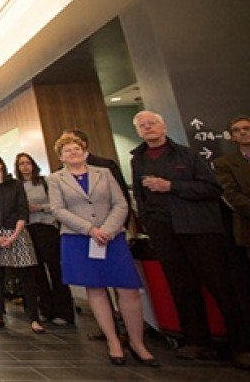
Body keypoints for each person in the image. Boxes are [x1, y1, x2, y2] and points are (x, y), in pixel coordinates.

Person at [131, 111, 249, 367]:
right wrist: (148, 222)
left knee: (221, 286)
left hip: (198, 229)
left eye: (152, 123)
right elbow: (140, 195)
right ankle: (197, 341)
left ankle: (241, 345)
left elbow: (212, 188)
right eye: (143, 125)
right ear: (139, 131)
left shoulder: (187, 155)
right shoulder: (137, 159)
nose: (148, 127)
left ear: (163, 126)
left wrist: (172, 186)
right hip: (164, 232)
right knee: (182, 287)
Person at [48, 134, 158, 366]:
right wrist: (90, 229)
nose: (73, 153)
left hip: (111, 237)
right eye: (67, 151)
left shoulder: (104, 173)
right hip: (79, 238)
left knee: (128, 289)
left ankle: (138, 343)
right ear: (61, 157)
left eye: (76, 148)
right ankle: (113, 341)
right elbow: (58, 209)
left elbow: (121, 204)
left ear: (85, 151)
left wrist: (106, 229)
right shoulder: (55, 179)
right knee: (96, 289)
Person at [0, 153, 42, 334]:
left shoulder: (15, 185)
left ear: (1, 164)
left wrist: (14, 234)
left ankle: (34, 317)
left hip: (16, 231)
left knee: (27, 274)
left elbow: (22, 211)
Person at [15, 153, 74, 326]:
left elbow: (58, 205)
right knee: (37, 272)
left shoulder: (45, 182)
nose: (25, 167)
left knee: (56, 270)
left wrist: (39, 207)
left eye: (27, 163)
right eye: (21, 164)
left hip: (47, 227)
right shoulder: (17, 187)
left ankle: (64, 311)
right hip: (28, 230)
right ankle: (45, 309)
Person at [215, 115, 250, 255]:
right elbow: (231, 195)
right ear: (232, 137)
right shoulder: (223, 164)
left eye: (247, 128)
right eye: (236, 130)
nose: (242, 132)